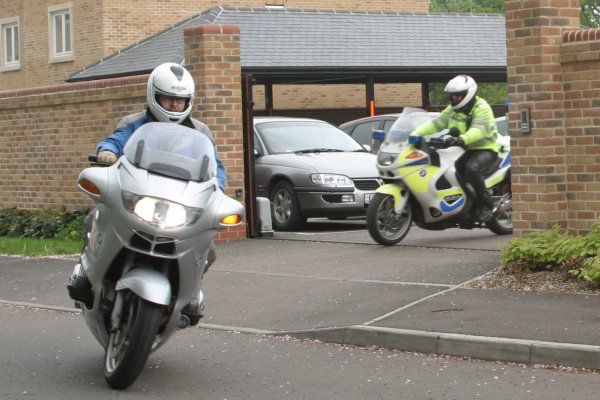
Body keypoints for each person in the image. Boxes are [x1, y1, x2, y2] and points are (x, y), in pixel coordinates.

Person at [411, 75, 499, 221]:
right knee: (449, 171)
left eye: (458, 95)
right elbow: (437, 123)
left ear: (468, 93)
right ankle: (461, 204)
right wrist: (415, 133)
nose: (455, 98)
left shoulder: (482, 108)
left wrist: (459, 139)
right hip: (463, 148)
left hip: (485, 148)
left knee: (472, 168)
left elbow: (478, 131)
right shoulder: (452, 109)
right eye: (453, 95)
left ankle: (486, 205)